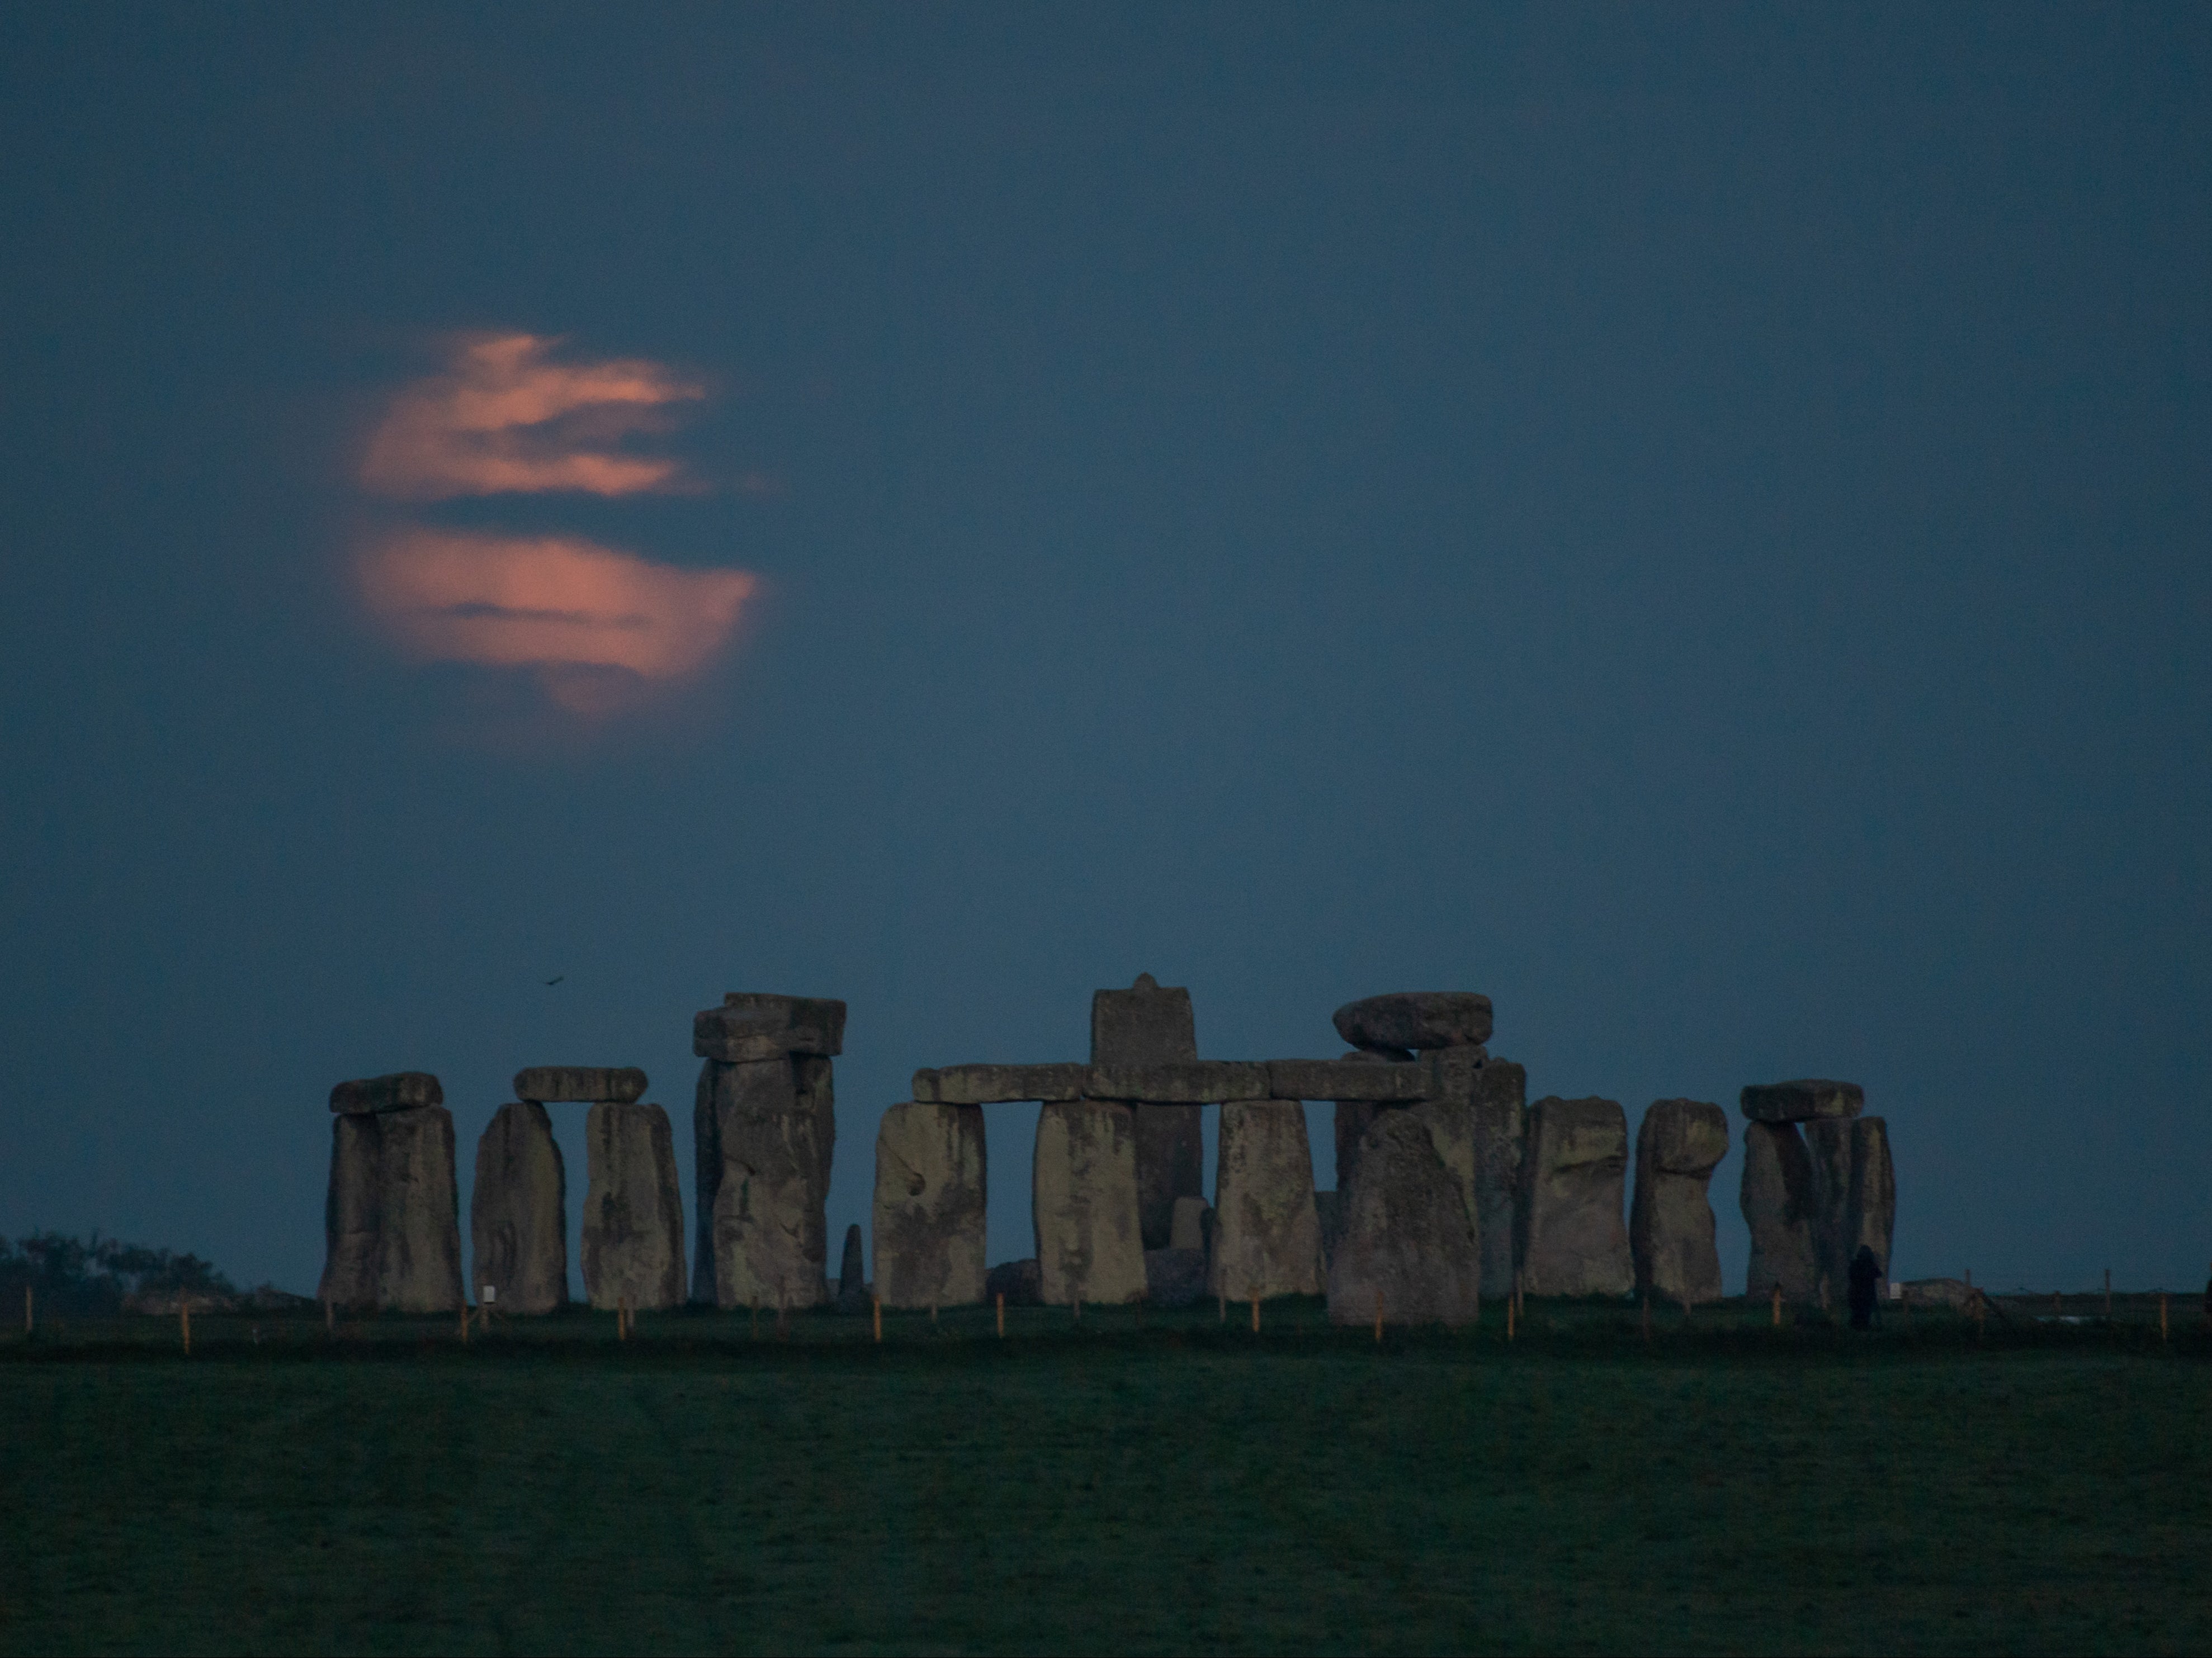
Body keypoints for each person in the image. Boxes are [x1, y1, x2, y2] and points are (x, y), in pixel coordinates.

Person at [1847, 1245, 1883, 1330]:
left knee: (1858, 1311)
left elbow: (1851, 1276)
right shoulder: (1870, 1265)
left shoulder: (1855, 1264)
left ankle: (1858, 1326)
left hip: (1856, 1292)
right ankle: (1863, 1326)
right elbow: (1879, 1274)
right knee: (1865, 1311)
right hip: (1867, 1293)